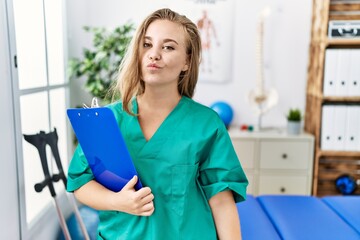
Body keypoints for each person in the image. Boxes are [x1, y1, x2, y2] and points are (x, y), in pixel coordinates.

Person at [67, 8, 248, 240]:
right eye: (147, 44)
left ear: (187, 61)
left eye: (168, 47)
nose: (154, 54)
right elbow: (80, 182)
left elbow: (222, 202)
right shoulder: (107, 120)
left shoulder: (206, 125)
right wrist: (117, 202)